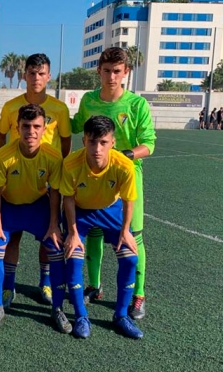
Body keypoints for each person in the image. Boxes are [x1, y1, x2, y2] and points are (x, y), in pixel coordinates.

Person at [71, 47, 156, 320]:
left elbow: (149, 145)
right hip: (94, 176)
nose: (111, 77)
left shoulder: (136, 104)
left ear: (125, 72)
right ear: (99, 71)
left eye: (117, 71)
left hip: (128, 176)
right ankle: (95, 286)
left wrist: (123, 156)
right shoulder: (88, 101)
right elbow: (74, 126)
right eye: (106, 71)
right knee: (94, 232)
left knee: (133, 236)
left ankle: (139, 294)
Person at [0, 53, 71, 307]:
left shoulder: (59, 108)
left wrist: (56, 174)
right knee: (12, 238)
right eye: (32, 73)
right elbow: (0, 137)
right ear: (25, 75)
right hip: (15, 181)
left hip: (44, 183)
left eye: (41, 73)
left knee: (49, 237)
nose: (36, 78)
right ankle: (8, 286)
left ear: (49, 76)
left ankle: (45, 282)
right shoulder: (10, 107)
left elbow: (66, 144)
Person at [59, 115, 143, 339]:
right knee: (73, 258)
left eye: (103, 142)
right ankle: (81, 316)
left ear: (112, 143)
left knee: (130, 258)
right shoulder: (71, 164)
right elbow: (67, 198)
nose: (97, 148)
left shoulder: (125, 165)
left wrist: (125, 231)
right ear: (84, 140)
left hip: (111, 210)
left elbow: (128, 200)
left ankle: (121, 315)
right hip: (80, 212)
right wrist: (73, 233)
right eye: (92, 141)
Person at [0, 104, 63, 330]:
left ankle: (54, 301)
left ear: (44, 127)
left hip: (38, 206)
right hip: (9, 207)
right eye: (26, 126)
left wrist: (54, 224)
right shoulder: (4, 154)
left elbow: (56, 192)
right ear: (17, 128)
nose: (31, 131)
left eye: (36, 126)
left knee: (55, 247)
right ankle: (0, 300)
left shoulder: (52, 155)